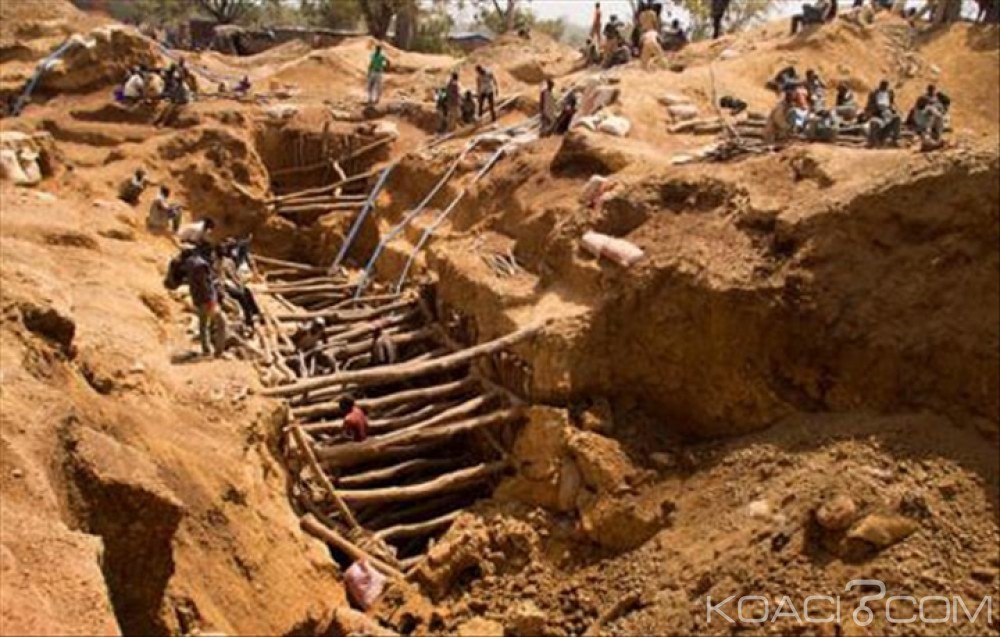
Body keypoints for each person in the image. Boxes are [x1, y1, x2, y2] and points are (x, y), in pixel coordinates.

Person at [186, 247, 226, 357]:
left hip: (197, 298)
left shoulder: (190, 262)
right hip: (207, 300)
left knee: (203, 324)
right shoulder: (202, 266)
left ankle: (206, 349)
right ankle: (219, 351)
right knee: (222, 322)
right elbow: (205, 286)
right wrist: (211, 301)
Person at [863, 80, 901, 147]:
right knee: (874, 122)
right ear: (880, 85)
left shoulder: (890, 93)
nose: (884, 87)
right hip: (877, 114)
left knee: (897, 118)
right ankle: (874, 142)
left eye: (886, 86)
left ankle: (895, 140)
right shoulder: (874, 93)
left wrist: (891, 110)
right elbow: (869, 106)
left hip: (888, 114)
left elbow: (891, 104)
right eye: (883, 85)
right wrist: (874, 111)